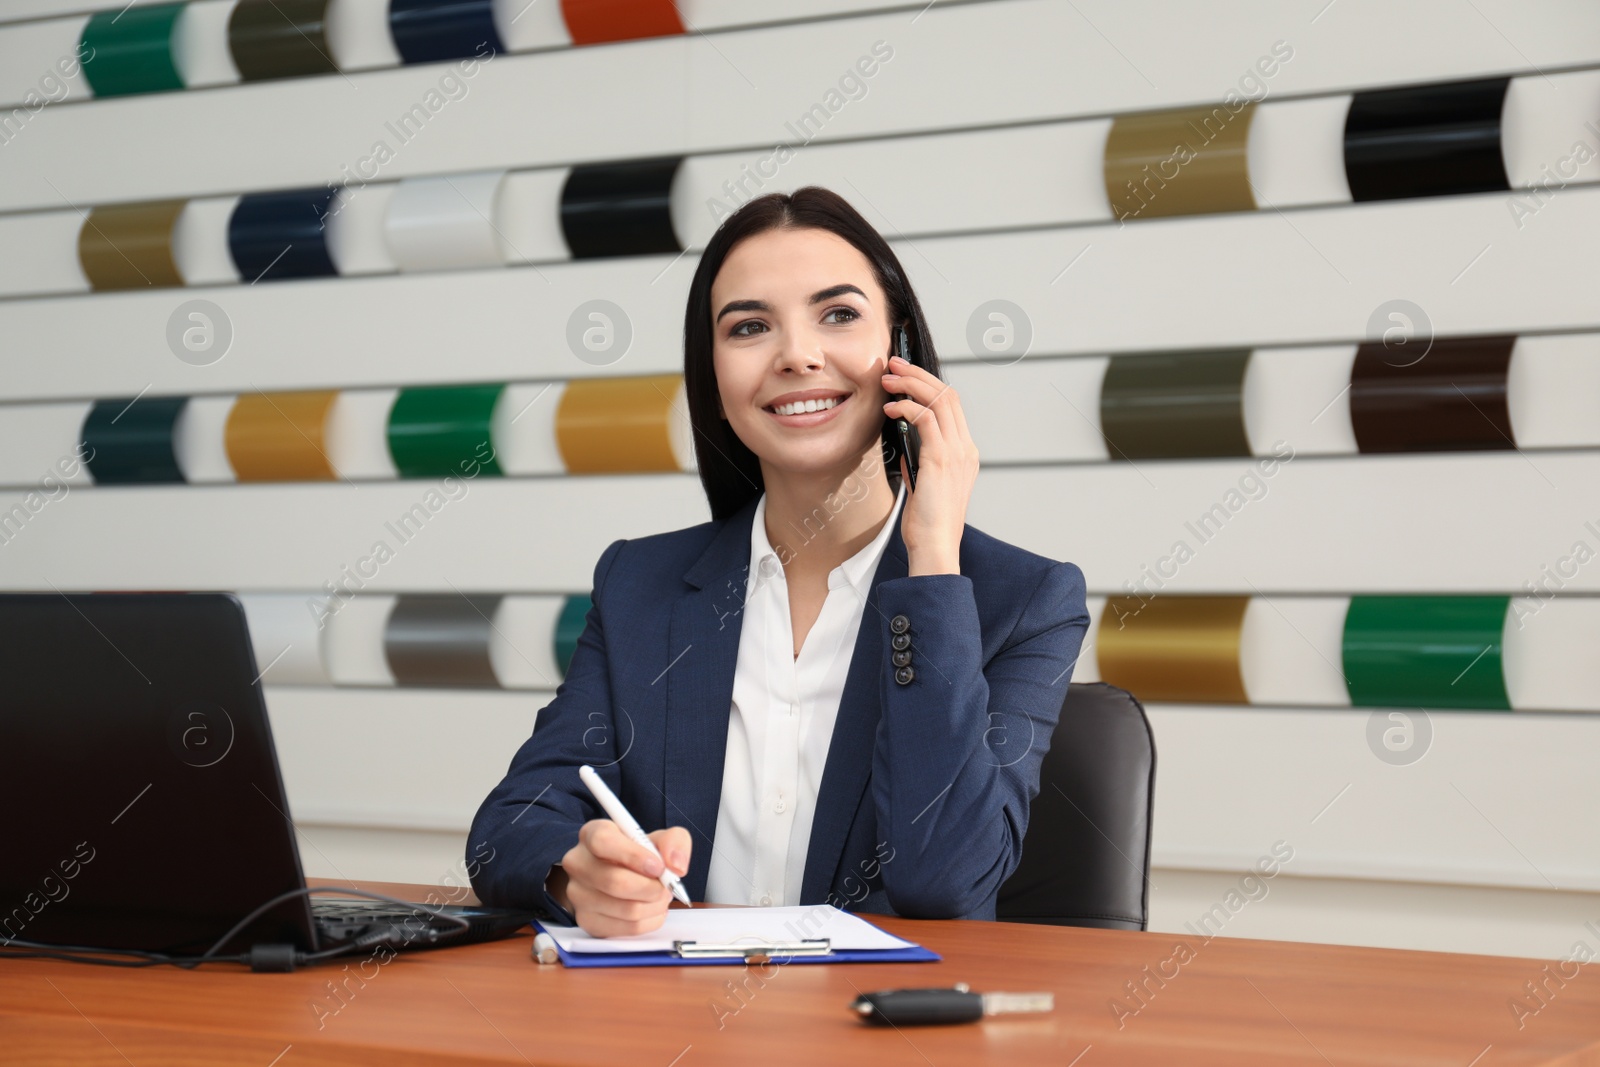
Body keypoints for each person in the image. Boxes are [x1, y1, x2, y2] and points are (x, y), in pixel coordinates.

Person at [468, 186, 1089, 937]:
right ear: (716, 380)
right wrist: (577, 872)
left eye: (838, 314)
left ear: (900, 349)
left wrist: (932, 562)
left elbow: (944, 882)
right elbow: (510, 825)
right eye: (750, 326)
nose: (797, 354)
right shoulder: (639, 584)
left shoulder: (1022, 600)